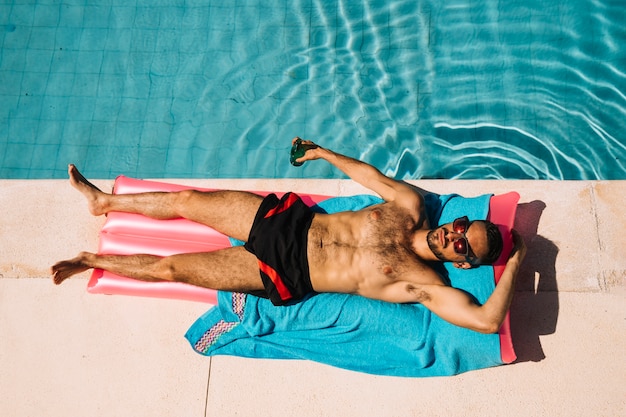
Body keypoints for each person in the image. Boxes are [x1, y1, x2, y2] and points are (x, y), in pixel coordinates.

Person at [51, 138, 526, 334]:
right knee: (188, 200)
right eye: (463, 225)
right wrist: (323, 153)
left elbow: (485, 321)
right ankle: (104, 202)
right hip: (289, 224)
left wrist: (518, 260)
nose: (454, 234)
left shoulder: (423, 281)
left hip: (286, 269)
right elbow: (370, 176)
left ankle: (91, 261)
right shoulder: (409, 207)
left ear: (463, 263)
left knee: (172, 268)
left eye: (464, 245)